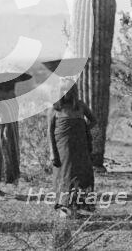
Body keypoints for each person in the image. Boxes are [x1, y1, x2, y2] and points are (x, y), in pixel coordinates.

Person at [48, 79, 95, 217]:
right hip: (63, 149)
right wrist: (52, 152)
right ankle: (64, 207)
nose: (66, 93)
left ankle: (77, 207)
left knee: (81, 174)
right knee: (64, 175)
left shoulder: (80, 106)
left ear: (74, 92)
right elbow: (49, 131)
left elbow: (94, 120)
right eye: (63, 90)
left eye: (69, 90)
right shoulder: (54, 109)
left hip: (80, 146)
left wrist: (83, 130)